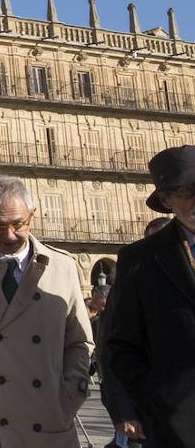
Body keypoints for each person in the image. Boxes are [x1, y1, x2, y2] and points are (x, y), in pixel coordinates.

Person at [0, 177, 92, 447]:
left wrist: (71, 393)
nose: (9, 235)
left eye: (18, 223)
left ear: (33, 215)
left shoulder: (62, 266)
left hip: (48, 422)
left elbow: (79, 340)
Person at [106, 145, 195, 447]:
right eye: (185, 191)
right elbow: (121, 346)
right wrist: (157, 403)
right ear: (166, 199)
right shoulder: (140, 260)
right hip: (179, 428)